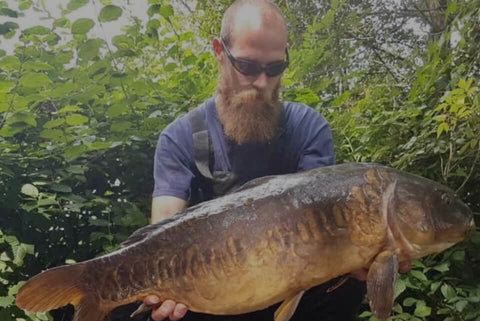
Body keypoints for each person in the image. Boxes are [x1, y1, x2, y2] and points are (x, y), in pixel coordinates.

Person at [142, 1, 409, 320]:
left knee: (345, 284)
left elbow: (326, 225)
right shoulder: (181, 137)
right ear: (218, 52)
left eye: (275, 68)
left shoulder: (308, 128)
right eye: (248, 66)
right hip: (211, 292)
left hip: (293, 281)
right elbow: (162, 227)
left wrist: (363, 253)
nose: (261, 83)